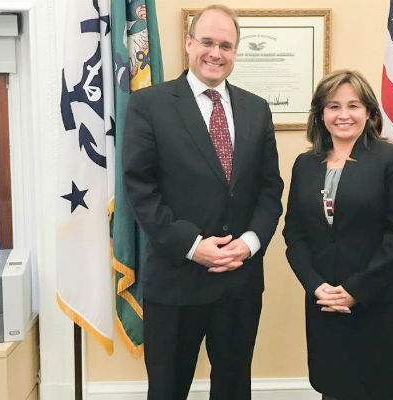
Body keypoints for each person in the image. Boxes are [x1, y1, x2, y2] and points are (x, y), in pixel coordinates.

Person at [122, 5, 283, 400]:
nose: (216, 52)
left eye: (226, 45)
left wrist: (249, 243)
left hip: (239, 281)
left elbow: (270, 190)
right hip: (177, 279)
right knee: (167, 389)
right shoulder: (149, 105)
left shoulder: (256, 109)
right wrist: (194, 247)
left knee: (233, 388)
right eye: (208, 42)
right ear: (189, 43)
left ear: (235, 52)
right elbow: (140, 191)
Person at [283, 70, 393, 400]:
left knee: (380, 390)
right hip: (326, 303)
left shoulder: (392, 159)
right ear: (320, 114)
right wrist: (316, 286)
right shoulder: (305, 164)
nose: (343, 115)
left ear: (370, 112)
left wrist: (354, 290)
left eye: (353, 105)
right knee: (333, 388)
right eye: (333, 106)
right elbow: (295, 234)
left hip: (379, 301)